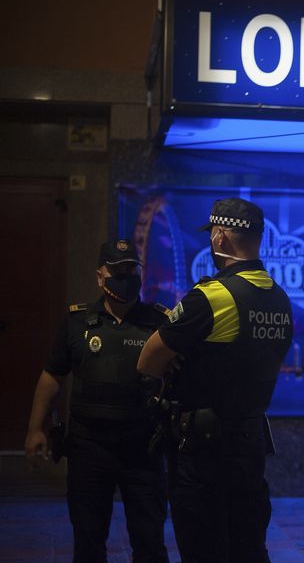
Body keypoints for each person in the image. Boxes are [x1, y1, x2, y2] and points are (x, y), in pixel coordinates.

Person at [137, 198, 294, 562]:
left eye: (212, 235)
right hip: (251, 446)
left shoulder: (212, 296)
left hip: (203, 455)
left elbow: (148, 358)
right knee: (249, 547)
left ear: (220, 237)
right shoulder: (279, 298)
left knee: (204, 548)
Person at [24, 240, 170, 563]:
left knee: (149, 542)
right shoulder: (77, 322)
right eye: (118, 271)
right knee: (88, 542)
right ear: (100, 278)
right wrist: (36, 428)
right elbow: (52, 376)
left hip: (142, 448)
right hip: (89, 448)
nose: (127, 276)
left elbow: (177, 379)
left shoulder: (159, 323)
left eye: (133, 269)